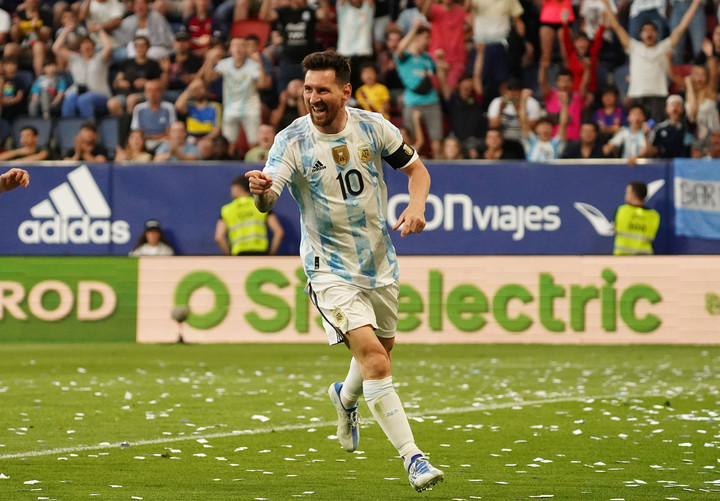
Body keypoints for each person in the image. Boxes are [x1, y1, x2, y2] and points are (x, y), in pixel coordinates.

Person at [244, 51, 443, 492]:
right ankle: (414, 458)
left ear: (345, 92)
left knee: (381, 356)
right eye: (307, 89)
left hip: (379, 262)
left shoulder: (373, 127)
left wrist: (416, 205)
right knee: (374, 359)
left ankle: (344, 397)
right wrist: (260, 193)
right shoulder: (291, 140)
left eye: (322, 90)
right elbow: (270, 196)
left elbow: (417, 171)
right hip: (327, 267)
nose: (312, 97)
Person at [600, 0, 703, 123]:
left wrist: (696, 3)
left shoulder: (664, 47)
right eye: (645, 30)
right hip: (637, 95)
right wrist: (605, 3)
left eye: (652, 30)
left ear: (657, 34)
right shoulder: (633, 46)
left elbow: (682, 27)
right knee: (639, 134)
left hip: (658, 95)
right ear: (640, 35)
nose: (649, 33)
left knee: (657, 132)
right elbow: (616, 26)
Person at [201, 37, 271, 153]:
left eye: (241, 46)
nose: (238, 48)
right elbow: (209, 78)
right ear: (230, 50)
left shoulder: (253, 65)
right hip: (230, 107)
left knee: (254, 142)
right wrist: (209, 60)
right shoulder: (224, 64)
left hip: (250, 106)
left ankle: (255, 167)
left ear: (245, 50)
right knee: (228, 143)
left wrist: (260, 63)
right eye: (235, 46)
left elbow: (263, 85)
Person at [394, 19, 448, 159]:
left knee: (437, 141)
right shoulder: (404, 57)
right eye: (425, 37)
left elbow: (440, 82)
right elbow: (400, 48)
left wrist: (441, 65)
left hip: (432, 101)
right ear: (416, 38)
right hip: (412, 103)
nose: (428, 41)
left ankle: (440, 174)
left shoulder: (427, 58)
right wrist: (415, 28)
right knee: (408, 143)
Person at [215, 174, 284, 256]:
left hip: (239, 256)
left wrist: (230, 255)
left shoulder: (227, 210)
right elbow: (279, 232)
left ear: (237, 188)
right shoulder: (260, 205)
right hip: (261, 254)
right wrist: (270, 255)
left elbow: (219, 237)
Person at [53, 26, 113, 119]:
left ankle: (90, 128)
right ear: (80, 48)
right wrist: (67, 31)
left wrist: (100, 31)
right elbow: (56, 48)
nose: (86, 46)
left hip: (100, 95)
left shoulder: (100, 58)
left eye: (89, 44)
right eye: (84, 45)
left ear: (94, 46)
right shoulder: (75, 59)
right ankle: (68, 130)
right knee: (70, 99)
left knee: (84, 100)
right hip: (78, 93)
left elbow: (109, 47)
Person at [107, 36, 166, 116]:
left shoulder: (153, 64)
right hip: (125, 93)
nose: (140, 48)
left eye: (142, 46)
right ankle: (123, 124)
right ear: (134, 48)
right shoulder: (127, 62)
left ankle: (132, 126)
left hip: (145, 94)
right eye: (137, 46)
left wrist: (146, 83)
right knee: (112, 103)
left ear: (148, 47)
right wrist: (120, 82)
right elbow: (116, 81)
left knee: (132, 99)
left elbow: (161, 85)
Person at [613, 181, 660, 255]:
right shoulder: (654, 215)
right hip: (645, 258)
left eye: (627, 192)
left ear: (633, 195)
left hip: (622, 257)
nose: (625, 195)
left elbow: (615, 229)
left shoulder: (621, 211)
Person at [130, 79, 177, 151]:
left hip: (164, 143)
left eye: (155, 90)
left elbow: (171, 132)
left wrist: (150, 136)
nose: (152, 93)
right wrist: (154, 137)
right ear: (145, 93)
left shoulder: (169, 107)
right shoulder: (139, 109)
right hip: (144, 143)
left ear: (160, 92)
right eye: (149, 90)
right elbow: (137, 132)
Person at [648, 94, 693, 159]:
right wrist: (646, 135)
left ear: (683, 109)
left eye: (678, 104)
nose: (675, 108)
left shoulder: (688, 127)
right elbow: (652, 150)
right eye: (672, 105)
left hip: (683, 165)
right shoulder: (659, 128)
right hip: (664, 165)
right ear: (666, 109)